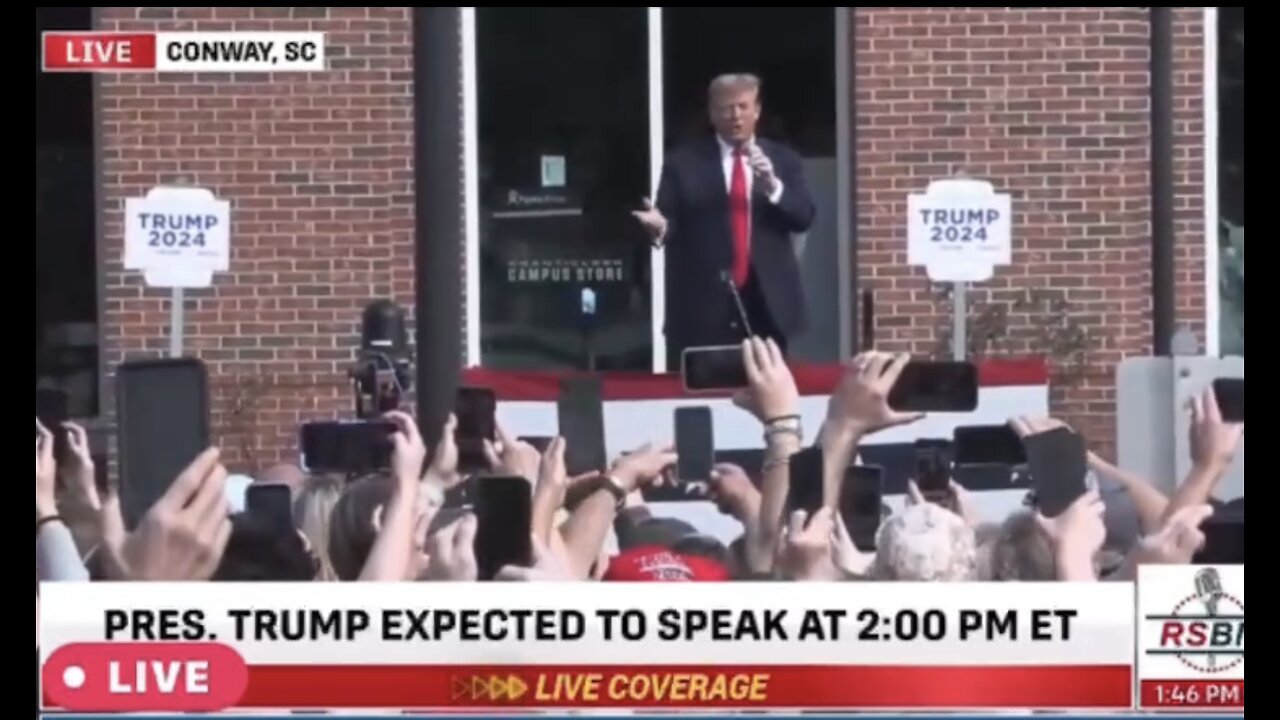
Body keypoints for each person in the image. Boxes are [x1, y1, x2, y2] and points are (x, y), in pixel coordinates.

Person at [634, 73, 816, 370]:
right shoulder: (683, 163)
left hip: (766, 303)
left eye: (743, 107)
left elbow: (803, 218)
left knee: (769, 392)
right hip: (704, 303)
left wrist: (773, 186)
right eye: (725, 108)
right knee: (704, 397)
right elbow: (669, 222)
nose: (735, 116)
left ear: (756, 110)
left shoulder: (783, 160)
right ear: (711, 113)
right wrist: (660, 228)